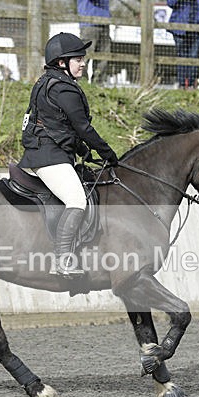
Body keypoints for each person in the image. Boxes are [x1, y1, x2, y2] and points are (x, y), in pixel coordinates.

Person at [18, 32, 118, 278]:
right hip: (49, 157)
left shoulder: (47, 82)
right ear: (61, 62)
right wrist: (107, 152)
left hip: (47, 150)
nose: (83, 63)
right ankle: (63, 260)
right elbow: (83, 127)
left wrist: (83, 151)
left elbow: (57, 124)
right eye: (78, 59)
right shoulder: (64, 89)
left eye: (83, 58)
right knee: (76, 200)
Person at [167, 0, 199, 89]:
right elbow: (170, 2)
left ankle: (191, 84)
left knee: (193, 56)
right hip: (179, 27)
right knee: (181, 56)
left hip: (197, 28)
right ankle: (181, 84)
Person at [77, 0, 111, 84]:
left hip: (104, 23)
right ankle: (82, 84)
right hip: (89, 24)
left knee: (103, 57)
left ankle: (98, 84)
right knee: (85, 55)